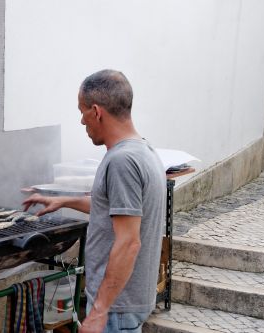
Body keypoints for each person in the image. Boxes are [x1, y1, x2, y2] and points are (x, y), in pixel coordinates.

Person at [23, 69, 166, 333]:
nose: (81, 121)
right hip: (128, 302)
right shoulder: (144, 150)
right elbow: (116, 208)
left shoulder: (122, 161)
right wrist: (63, 201)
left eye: (82, 111)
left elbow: (129, 242)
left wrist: (100, 310)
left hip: (116, 308)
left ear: (97, 112)